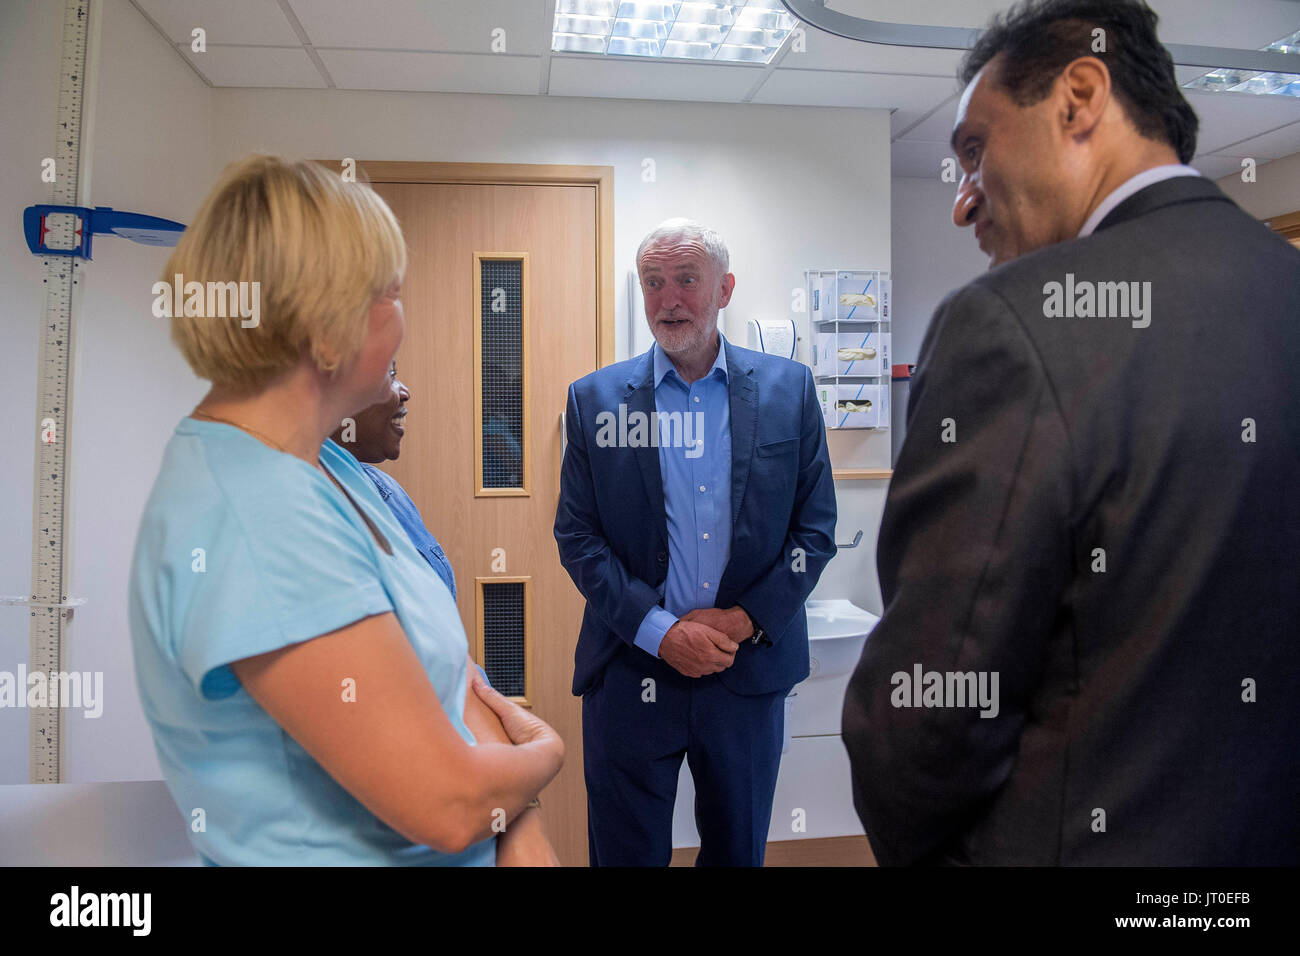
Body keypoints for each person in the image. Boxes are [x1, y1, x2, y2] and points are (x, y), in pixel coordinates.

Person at [842, 0, 1300, 865]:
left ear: (1079, 97)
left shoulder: (1011, 327)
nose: (961, 202)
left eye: (974, 150)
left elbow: (925, 723)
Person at [129, 154, 564, 866]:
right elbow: (450, 805)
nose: (404, 317)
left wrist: (520, 822)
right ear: (324, 324)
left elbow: (455, 686)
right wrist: (546, 754)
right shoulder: (255, 515)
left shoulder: (329, 469)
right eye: (389, 293)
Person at [555, 218, 837, 866]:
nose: (669, 299)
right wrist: (660, 631)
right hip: (631, 673)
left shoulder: (788, 391)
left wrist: (740, 622)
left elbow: (814, 531)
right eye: (653, 283)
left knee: (737, 854)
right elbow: (577, 535)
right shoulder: (595, 401)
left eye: (687, 280)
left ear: (725, 288)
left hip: (745, 675)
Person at [329, 361, 559, 864]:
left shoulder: (382, 493)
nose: (405, 391)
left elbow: (454, 671)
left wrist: (521, 809)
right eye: (386, 371)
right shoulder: (303, 521)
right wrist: (539, 760)